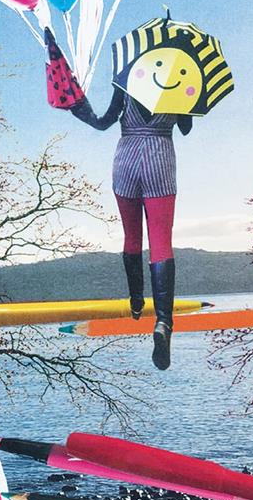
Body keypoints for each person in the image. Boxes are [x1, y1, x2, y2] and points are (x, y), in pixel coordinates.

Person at [44, 26, 193, 370]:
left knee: (131, 236)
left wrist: (76, 104)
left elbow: (102, 122)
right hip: (159, 157)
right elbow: (185, 128)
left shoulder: (127, 79)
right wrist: (180, 104)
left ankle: (137, 301)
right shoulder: (180, 80)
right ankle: (163, 322)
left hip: (126, 158)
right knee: (161, 242)